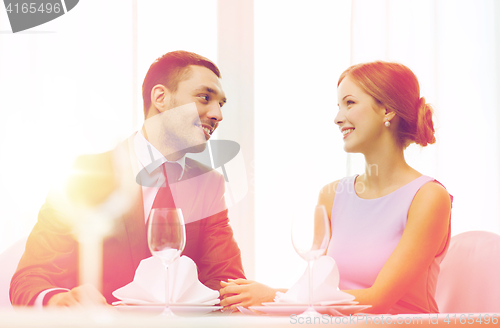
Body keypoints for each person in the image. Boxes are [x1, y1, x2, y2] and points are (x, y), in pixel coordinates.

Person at [10, 50, 245, 307]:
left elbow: (226, 283)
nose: (217, 115)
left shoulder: (208, 184)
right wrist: (58, 300)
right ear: (161, 97)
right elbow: (31, 279)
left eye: (220, 104)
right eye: (204, 97)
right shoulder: (85, 174)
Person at [220, 61, 452, 314]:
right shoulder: (331, 196)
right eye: (339, 106)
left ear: (387, 110)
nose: (337, 118)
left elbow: (377, 299)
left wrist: (272, 296)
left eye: (350, 103)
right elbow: (316, 289)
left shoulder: (428, 197)